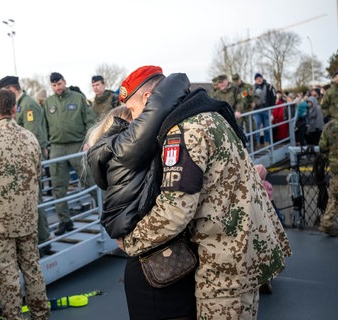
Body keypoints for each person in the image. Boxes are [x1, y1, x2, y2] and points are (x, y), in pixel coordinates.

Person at [91, 65, 292, 319]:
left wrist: (130, 242)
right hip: (247, 249)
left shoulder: (183, 131)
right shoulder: (208, 114)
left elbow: (174, 211)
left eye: (134, 111)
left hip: (224, 263)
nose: (138, 122)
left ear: (148, 99)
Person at [87, 71, 198, 320]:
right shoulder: (124, 150)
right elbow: (158, 108)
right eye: (136, 114)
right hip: (155, 264)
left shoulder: (117, 153)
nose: (141, 118)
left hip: (151, 259)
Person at [0, 89, 50, 320]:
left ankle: (14, 317)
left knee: (7, 275)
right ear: (15, 109)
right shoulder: (30, 138)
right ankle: (41, 315)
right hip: (27, 217)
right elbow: (38, 175)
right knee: (32, 270)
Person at [0, 75, 52, 254]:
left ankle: (44, 240)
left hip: (28, 160)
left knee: (35, 199)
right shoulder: (21, 104)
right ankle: (39, 239)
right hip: (22, 160)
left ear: (12, 90)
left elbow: (32, 134)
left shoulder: (27, 104)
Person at [44, 72, 97, 236]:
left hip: (77, 145)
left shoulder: (77, 98)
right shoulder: (48, 102)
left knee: (89, 179)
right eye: (54, 85)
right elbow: (44, 125)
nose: (57, 88)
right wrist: (46, 145)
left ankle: (107, 209)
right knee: (58, 186)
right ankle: (64, 220)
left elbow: (90, 120)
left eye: (59, 84)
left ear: (64, 82)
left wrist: (89, 140)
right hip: (57, 147)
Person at [318, 105, 338, 236]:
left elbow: (322, 147)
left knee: (335, 194)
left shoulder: (329, 126)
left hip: (335, 164)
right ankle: (327, 221)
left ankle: (327, 221)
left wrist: (330, 158)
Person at [252, 73, 277, 147]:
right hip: (256, 111)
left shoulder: (269, 86)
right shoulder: (252, 88)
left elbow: (274, 97)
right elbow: (248, 98)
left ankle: (267, 142)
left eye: (260, 78)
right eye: (257, 79)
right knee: (256, 127)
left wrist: (271, 108)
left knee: (267, 127)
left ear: (262, 78)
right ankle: (257, 144)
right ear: (255, 80)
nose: (259, 80)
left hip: (266, 110)